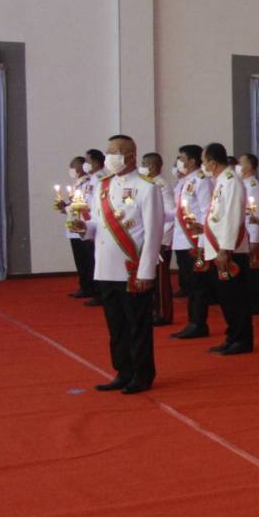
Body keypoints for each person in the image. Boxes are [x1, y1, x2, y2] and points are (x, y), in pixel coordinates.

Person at [88, 135, 164, 394]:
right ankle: (123, 370)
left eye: (116, 152)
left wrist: (146, 271)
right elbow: (97, 224)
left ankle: (142, 374)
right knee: (116, 325)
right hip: (106, 267)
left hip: (132, 269)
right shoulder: (102, 186)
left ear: (131, 155)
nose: (110, 156)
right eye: (108, 151)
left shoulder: (146, 187)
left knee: (137, 325)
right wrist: (82, 228)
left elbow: (153, 233)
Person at [200, 143, 255, 356]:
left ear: (212, 163)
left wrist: (225, 249)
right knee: (225, 297)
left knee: (235, 297)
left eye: (204, 162)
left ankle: (241, 339)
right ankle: (232, 336)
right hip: (217, 247)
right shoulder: (221, 181)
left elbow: (233, 217)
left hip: (229, 250)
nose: (204, 166)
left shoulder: (231, 182)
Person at [169, 144, 214, 340]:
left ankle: (198, 323)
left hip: (194, 240)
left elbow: (206, 212)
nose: (179, 161)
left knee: (198, 284)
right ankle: (192, 320)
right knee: (188, 283)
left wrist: (203, 244)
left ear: (192, 161)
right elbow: (176, 211)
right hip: (181, 239)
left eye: (181, 158)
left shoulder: (201, 181)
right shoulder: (184, 181)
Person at [139, 151, 176, 327]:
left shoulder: (161, 185)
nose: (142, 166)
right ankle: (153, 310)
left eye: (144, 163)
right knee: (150, 277)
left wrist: (162, 240)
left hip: (159, 240)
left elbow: (170, 214)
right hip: (148, 238)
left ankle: (163, 313)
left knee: (161, 280)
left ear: (152, 166)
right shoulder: (147, 183)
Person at [59, 154, 97, 302]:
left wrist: (71, 208)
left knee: (88, 260)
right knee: (80, 260)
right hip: (74, 224)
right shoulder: (77, 184)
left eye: (73, 166)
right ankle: (85, 286)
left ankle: (92, 288)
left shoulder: (88, 183)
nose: (72, 169)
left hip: (84, 225)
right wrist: (66, 207)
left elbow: (86, 204)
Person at [237, 154, 259, 317]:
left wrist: (255, 239)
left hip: (251, 232)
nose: (237, 165)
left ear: (249, 166)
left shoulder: (252, 185)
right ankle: (250, 301)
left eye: (240, 163)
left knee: (254, 271)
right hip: (243, 233)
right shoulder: (242, 183)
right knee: (247, 271)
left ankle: (258, 303)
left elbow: (254, 213)